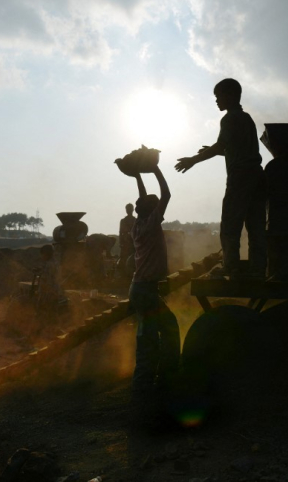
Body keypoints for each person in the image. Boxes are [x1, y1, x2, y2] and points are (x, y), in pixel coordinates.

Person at [175, 78, 267, 278]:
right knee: (256, 225)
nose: (216, 101)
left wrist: (194, 159)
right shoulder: (247, 118)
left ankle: (231, 265)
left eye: (218, 97)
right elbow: (237, 149)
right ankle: (259, 267)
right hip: (257, 177)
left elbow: (221, 146)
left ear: (230, 96)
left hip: (240, 177)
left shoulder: (230, 118)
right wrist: (215, 151)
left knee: (230, 225)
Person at [128, 165, 180, 401]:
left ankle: (159, 380)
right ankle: (146, 391)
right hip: (146, 290)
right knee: (150, 340)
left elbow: (143, 200)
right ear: (152, 210)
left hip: (141, 288)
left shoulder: (137, 225)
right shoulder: (151, 224)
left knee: (163, 329)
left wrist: (138, 174)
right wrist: (155, 168)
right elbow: (167, 195)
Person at [118, 203, 136, 278]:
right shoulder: (123, 221)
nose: (128, 210)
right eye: (127, 209)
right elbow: (120, 232)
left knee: (133, 260)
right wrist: (121, 242)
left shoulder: (135, 220)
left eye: (129, 209)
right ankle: (124, 276)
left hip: (132, 244)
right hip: (126, 244)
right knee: (124, 260)